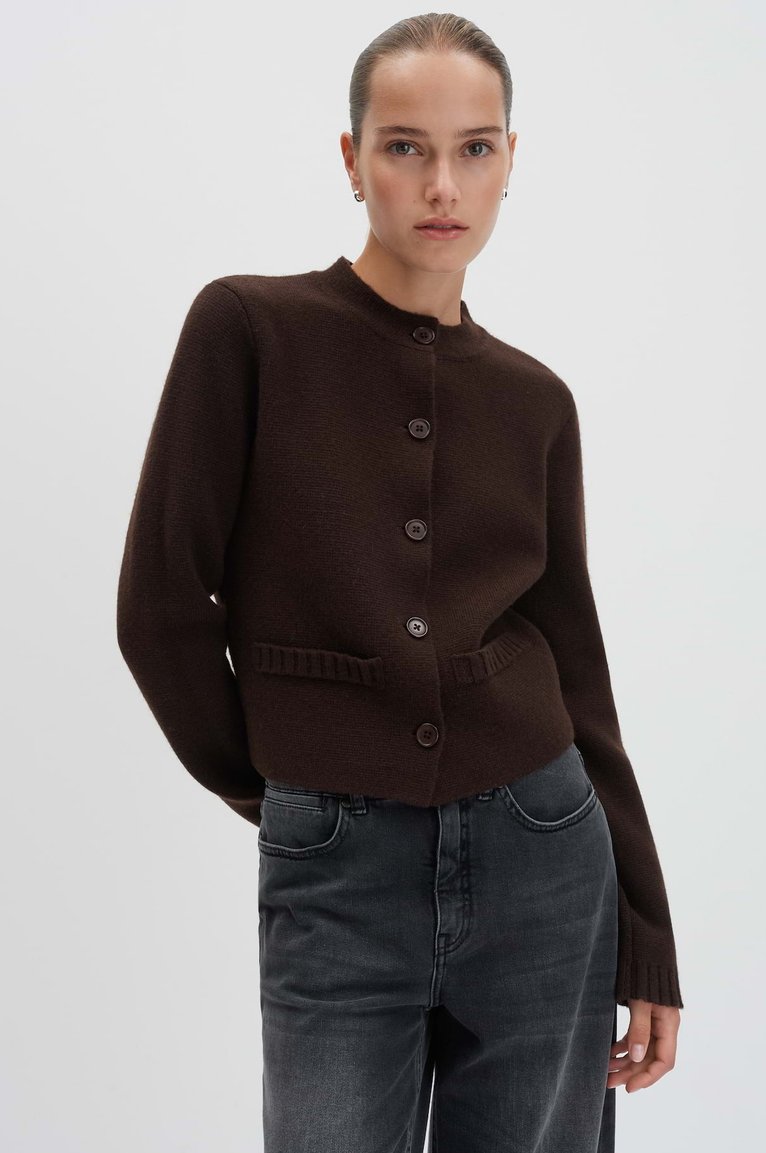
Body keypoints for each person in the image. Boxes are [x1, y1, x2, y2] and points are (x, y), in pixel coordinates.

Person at [116, 12, 683, 1152]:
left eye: (475, 148)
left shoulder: (534, 400)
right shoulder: (250, 328)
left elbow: (576, 669)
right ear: (352, 157)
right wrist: (290, 791)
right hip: (337, 872)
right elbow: (161, 607)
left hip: (542, 848)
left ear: (511, 161)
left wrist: (646, 934)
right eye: (405, 146)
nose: (442, 185)